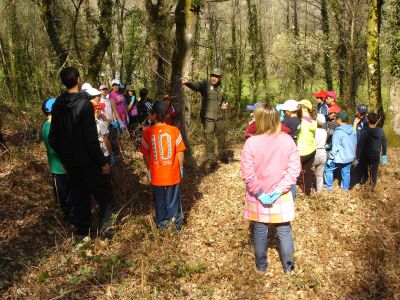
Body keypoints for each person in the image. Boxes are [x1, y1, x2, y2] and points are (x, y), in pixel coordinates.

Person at [49, 67, 114, 239]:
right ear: (78, 79)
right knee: (104, 196)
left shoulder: (57, 105)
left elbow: (53, 137)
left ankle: (82, 232)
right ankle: (105, 234)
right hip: (89, 162)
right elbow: (90, 140)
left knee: (79, 196)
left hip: (71, 163)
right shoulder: (84, 105)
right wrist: (103, 162)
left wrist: (64, 157)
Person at [240, 104, 301, 273]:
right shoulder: (287, 140)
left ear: (258, 119)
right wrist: (279, 190)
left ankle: (261, 267)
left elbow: (247, 173)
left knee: (260, 231)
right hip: (280, 195)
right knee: (284, 231)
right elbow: (294, 169)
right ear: (276, 118)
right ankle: (289, 267)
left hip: (258, 195)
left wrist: (260, 192)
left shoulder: (251, 142)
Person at [140, 100, 186, 230]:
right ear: (166, 115)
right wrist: (180, 167)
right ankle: (175, 224)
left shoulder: (147, 133)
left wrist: (149, 169)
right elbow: (180, 152)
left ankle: (162, 224)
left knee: (159, 200)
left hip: (157, 175)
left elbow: (145, 154)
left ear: (154, 115)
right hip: (172, 173)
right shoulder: (174, 130)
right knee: (173, 199)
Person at [182, 67, 229, 166]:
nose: (214, 78)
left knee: (221, 137)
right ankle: (212, 161)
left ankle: (223, 156)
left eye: (216, 76)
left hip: (219, 117)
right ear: (210, 76)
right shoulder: (205, 85)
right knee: (209, 139)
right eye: (213, 76)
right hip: (208, 118)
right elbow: (196, 85)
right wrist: (188, 83)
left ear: (219, 78)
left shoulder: (221, 88)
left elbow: (224, 99)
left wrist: (225, 104)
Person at [41, 97, 72, 220]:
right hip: (60, 167)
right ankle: (69, 218)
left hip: (61, 166)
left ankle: (69, 215)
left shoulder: (48, 125)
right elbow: (57, 147)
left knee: (67, 193)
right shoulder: (50, 127)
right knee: (65, 194)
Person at [324, 111, 357, 191]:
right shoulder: (353, 129)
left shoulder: (338, 132)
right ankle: (345, 189)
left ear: (340, 119)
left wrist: (331, 158)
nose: (335, 120)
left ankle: (329, 187)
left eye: (336, 118)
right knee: (346, 173)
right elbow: (355, 143)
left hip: (340, 157)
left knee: (328, 169)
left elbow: (335, 147)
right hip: (349, 157)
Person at [356, 112, 387, 187]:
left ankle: (363, 181)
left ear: (368, 120)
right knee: (374, 170)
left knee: (363, 168)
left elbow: (360, 145)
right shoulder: (381, 131)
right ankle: (373, 185)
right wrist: (384, 154)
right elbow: (384, 143)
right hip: (376, 155)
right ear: (376, 120)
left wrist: (358, 156)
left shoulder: (364, 132)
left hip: (365, 155)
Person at [297, 99, 317, 196]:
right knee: (307, 171)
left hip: (301, 151)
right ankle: (307, 191)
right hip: (311, 149)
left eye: (299, 107)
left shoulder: (301, 121)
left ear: (304, 109)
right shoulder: (311, 120)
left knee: (291, 169)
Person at [313, 114, 328, 193]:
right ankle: (319, 191)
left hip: (314, 153)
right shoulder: (324, 131)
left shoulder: (313, 131)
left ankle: (307, 189)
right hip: (323, 153)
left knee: (307, 171)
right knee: (320, 175)